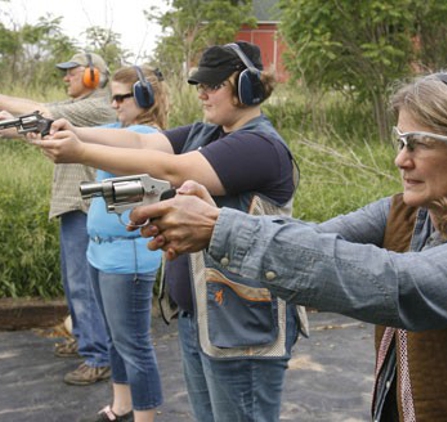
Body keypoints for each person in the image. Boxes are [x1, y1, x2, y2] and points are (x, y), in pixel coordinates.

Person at [126, 66, 447, 421]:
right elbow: (315, 240)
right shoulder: (407, 212)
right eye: (401, 141)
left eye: (419, 143)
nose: (401, 159)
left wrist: (221, 228)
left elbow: (399, 284)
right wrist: (217, 221)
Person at [34, 41, 308, 422]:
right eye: (199, 85)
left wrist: (81, 152)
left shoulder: (259, 146)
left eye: (213, 85)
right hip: (203, 318)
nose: (202, 93)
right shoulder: (209, 132)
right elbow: (140, 139)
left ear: (247, 88)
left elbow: (173, 169)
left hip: (242, 327)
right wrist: (73, 132)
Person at [0, 52, 115, 385]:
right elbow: (42, 130)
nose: (65, 78)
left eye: (72, 73)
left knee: (84, 286)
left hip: (85, 207)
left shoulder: (99, 107)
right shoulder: (79, 112)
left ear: (94, 76)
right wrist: (9, 127)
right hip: (72, 206)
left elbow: (42, 113)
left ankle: (98, 357)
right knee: (73, 283)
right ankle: (84, 339)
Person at [81, 65, 168, 422]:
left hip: (126, 257)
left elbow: (93, 145)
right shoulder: (118, 131)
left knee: (134, 346)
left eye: (122, 97)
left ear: (146, 98)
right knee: (116, 339)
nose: (114, 104)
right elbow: (82, 134)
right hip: (101, 251)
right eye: (111, 96)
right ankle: (121, 406)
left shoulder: (146, 138)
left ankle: (145, 418)